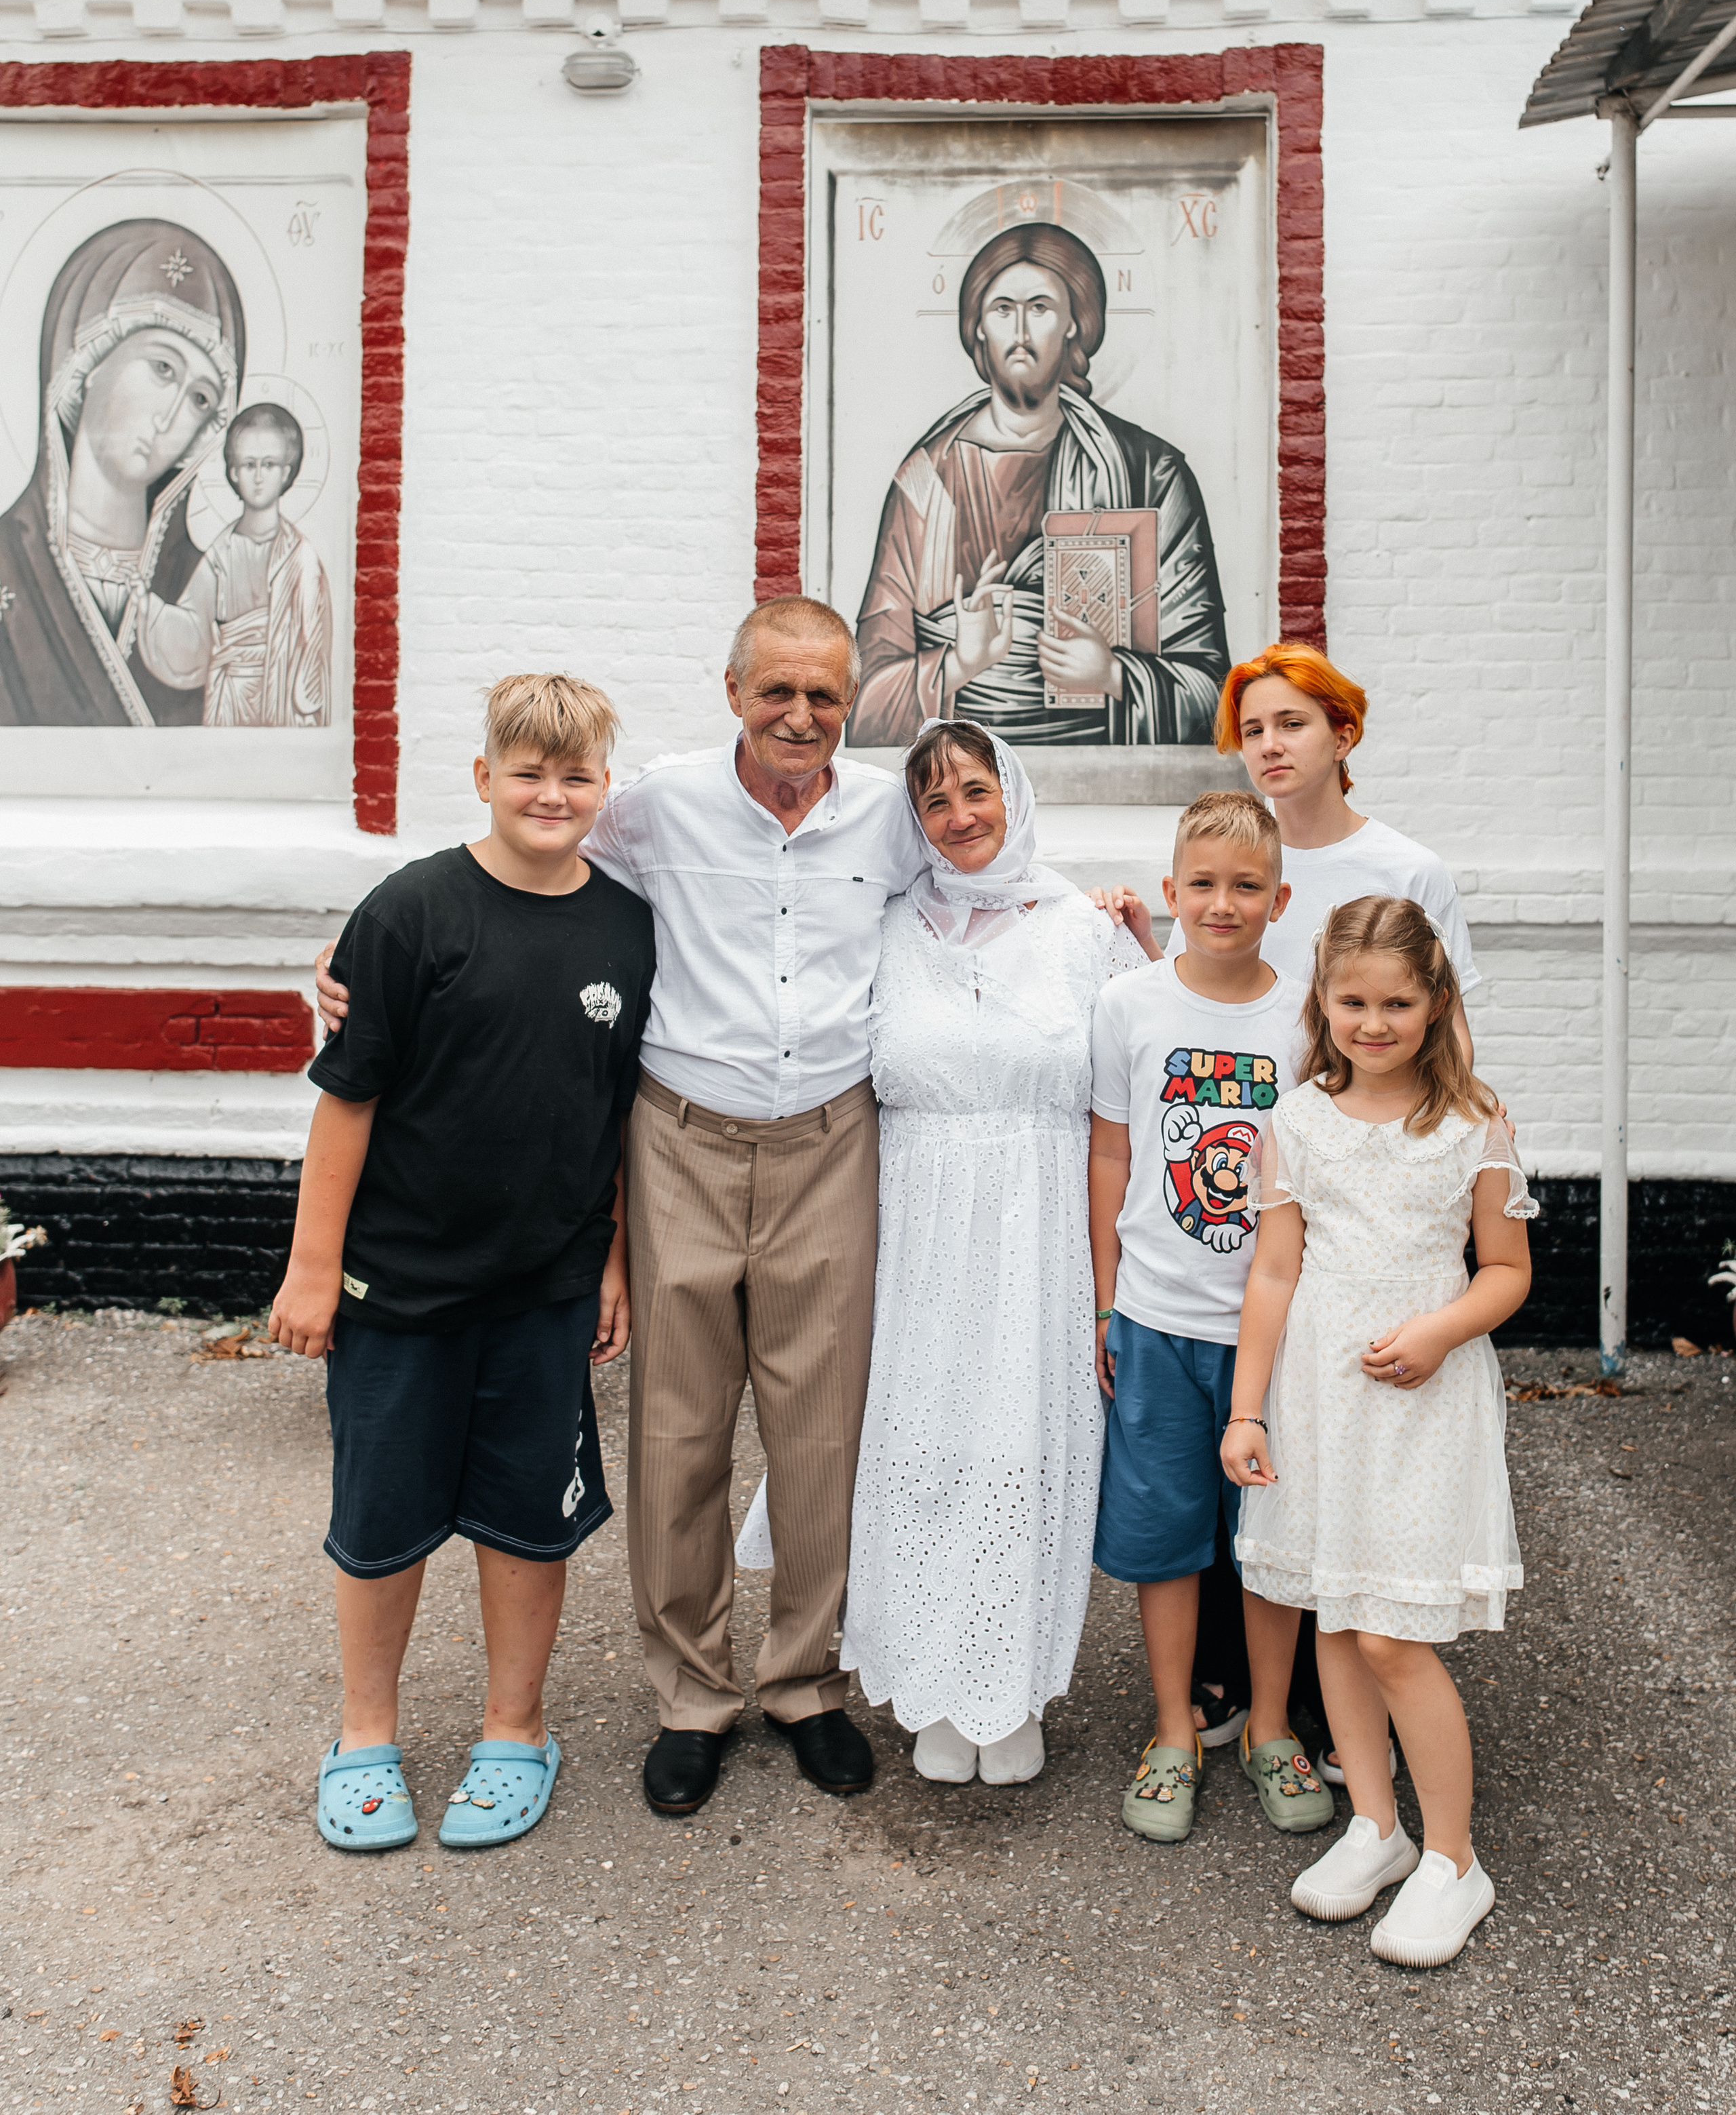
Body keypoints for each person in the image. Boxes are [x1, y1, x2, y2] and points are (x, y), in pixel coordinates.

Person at [319, 597, 927, 1818]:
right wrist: (342, 980)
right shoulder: (656, 800)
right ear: (733, 688)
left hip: (829, 1140)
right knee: (678, 1428)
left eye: (824, 693)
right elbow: (525, 857)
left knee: (819, 1428)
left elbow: (981, 888)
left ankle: (804, 1681)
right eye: (778, 690)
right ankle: (693, 1696)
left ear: (850, 696)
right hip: (681, 1139)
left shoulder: (891, 813)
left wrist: (1114, 925)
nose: (801, 715)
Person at [273, 673, 654, 1853]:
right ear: (484, 776)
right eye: (527, 771)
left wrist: (615, 1261)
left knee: (525, 1523)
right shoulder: (411, 912)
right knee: (381, 1519)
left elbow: (629, 1111)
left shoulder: (627, 927)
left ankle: (513, 1728)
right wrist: (311, 1266)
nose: (552, 792)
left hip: (543, 1289)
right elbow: (348, 1098)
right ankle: (366, 1733)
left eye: (575, 772)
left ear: (605, 785)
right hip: (399, 1288)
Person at [837, 718, 1153, 1784]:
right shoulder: (880, 925)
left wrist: (1148, 939)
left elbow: (1146, 1085)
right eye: (935, 802)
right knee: (923, 1450)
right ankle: (930, 1676)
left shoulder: (1084, 926)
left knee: (1023, 1450)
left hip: (1041, 1228)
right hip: (919, 1228)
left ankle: (1011, 1688)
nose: (960, 816)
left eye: (977, 790)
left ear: (1011, 793)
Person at [1225, 895, 1533, 1968]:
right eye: (1352, 1000)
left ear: (1436, 1000)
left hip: (1422, 1399)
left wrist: (1442, 1329)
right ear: (1323, 999)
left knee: (1396, 1632)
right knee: (1339, 1617)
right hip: (1319, 1396)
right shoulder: (1297, 1120)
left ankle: (1454, 1857)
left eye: (1397, 1001)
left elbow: (1507, 1269)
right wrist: (1248, 1405)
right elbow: (1273, 1270)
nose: (1373, 1021)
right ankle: (1378, 1824)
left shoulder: (1473, 1123)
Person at [1088, 789, 1335, 1846]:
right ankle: (1174, 1727)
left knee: (1272, 1536)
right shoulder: (1131, 1006)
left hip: (1278, 1329)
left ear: (1281, 898)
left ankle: (1271, 1724)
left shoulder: (1307, 1016)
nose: (1223, 904)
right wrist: (1105, 1297)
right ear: (1172, 891)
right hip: (1154, 1317)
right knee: (1165, 1536)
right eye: (1203, 885)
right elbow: (1111, 1152)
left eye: (1246, 887)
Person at [849, 222, 1229, 749]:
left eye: (1041, 308)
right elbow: (864, 705)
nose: (1021, 332)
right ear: (978, 327)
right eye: (1003, 309)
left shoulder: (1151, 473)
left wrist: (1115, 676)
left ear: (1076, 324)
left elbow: (1216, 697)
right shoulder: (925, 482)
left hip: (1102, 783)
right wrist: (960, 662)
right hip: (957, 783)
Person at [0, 218, 241, 726]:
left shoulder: (209, 585)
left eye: (200, 398)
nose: (171, 416)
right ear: (88, 364)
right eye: (162, 369)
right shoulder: (6, 562)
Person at [1215, 643, 1480, 1048]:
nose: (1269, 745)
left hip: (1370, 1108)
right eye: (1253, 731)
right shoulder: (1226, 862)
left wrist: (1455, 1110)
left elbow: (1451, 1036)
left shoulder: (1410, 870)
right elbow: (1189, 994)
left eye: (1291, 724)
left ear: (1342, 740)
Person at [136, 401, 334, 726]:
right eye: (248, 465)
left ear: (286, 471)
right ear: (233, 472)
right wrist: (150, 609)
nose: (258, 477)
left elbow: (315, 648)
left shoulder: (302, 559)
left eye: (269, 465)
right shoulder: (221, 554)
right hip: (228, 699)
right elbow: (194, 628)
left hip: (283, 701)